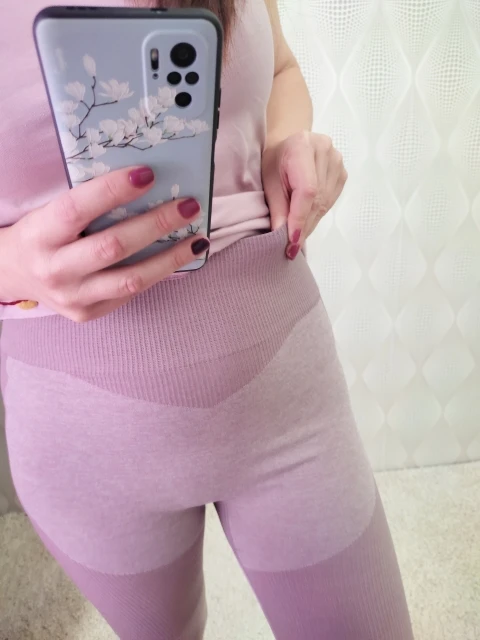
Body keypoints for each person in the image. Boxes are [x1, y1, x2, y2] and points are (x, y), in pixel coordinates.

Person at [0, 0, 415, 638]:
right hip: (83, 447)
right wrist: (11, 265)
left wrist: (284, 144)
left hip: (288, 400)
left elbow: (280, 69)